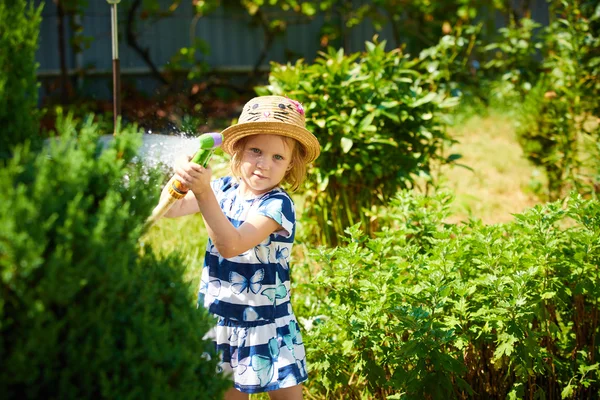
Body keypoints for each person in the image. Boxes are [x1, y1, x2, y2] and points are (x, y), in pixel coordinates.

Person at [159, 95, 320, 400]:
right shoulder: (223, 188)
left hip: (266, 324)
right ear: (238, 150)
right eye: (256, 151)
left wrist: (204, 192)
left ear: (290, 165)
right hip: (220, 320)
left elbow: (231, 245)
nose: (263, 164)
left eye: (278, 157)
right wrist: (182, 176)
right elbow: (171, 209)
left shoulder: (276, 205)